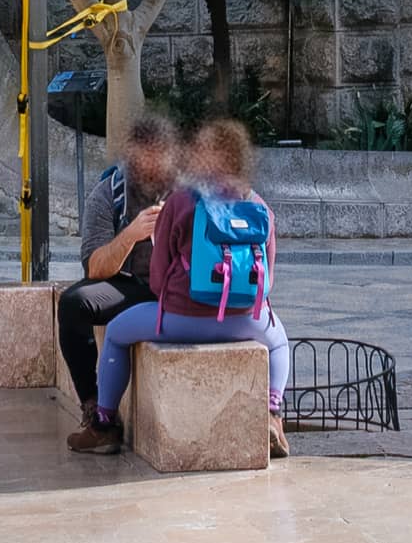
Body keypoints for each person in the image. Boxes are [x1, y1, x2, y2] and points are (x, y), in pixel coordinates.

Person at [84, 114, 290, 461]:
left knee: (117, 331)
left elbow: (160, 273)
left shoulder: (181, 202)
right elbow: (267, 279)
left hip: (181, 318)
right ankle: (272, 413)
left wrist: (176, 298)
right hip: (244, 321)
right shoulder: (257, 205)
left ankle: (103, 423)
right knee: (280, 341)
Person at [58, 112, 183, 430]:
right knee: (73, 303)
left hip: (183, 286)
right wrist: (131, 234)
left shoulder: (189, 192)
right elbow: (94, 268)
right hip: (134, 286)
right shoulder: (108, 193)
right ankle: (92, 405)